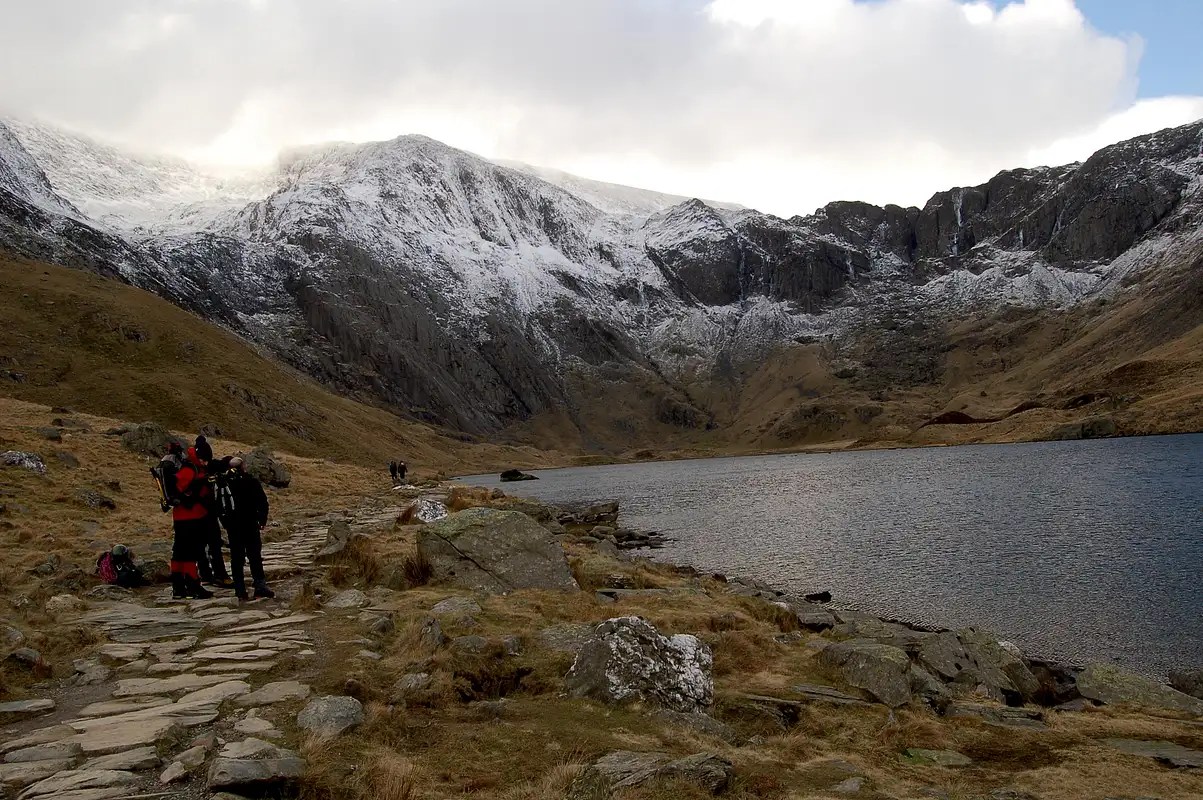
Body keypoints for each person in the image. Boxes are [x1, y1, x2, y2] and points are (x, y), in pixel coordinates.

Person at [216, 456, 274, 601]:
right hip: (250, 523)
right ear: (243, 466)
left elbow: (218, 505)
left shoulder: (224, 483)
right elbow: (262, 501)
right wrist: (262, 519)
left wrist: (226, 523)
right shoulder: (251, 481)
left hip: (233, 526)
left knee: (237, 558)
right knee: (254, 555)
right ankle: (260, 586)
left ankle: (240, 590)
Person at [170, 446, 214, 599]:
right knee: (189, 553)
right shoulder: (190, 469)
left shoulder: (190, 467)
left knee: (180, 553)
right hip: (190, 517)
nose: (206, 462)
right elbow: (180, 490)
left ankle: (178, 588)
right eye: (205, 459)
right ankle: (193, 585)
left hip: (182, 517)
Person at [194, 435, 233, 588]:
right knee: (212, 544)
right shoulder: (198, 470)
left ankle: (207, 575)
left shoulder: (201, 467)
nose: (203, 462)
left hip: (201, 513)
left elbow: (225, 463)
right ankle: (219, 575)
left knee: (203, 545)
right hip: (206, 512)